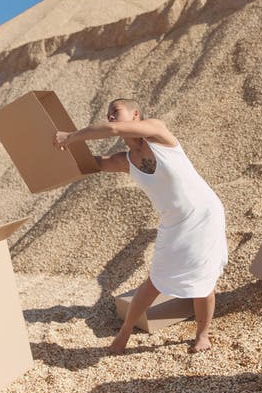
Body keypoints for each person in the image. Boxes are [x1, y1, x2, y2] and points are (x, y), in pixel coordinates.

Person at [53, 98, 228, 354]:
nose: (111, 117)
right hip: (172, 222)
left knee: (204, 280)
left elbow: (112, 130)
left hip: (205, 215)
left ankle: (202, 335)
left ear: (135, 115)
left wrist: (70, 137)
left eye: (115, 111)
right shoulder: (125, 161)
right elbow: (89, 165)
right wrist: (53, 152)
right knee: (155, 281)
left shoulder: (158, 132)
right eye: (108, 114)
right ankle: (124, 334)